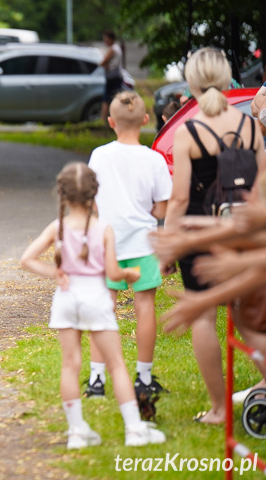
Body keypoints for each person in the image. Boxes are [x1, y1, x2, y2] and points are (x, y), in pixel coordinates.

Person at [20, 162, 166, 449]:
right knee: (116, 365)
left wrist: (56, 273)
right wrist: (129, 274)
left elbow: (26, 259)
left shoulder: (57, 227)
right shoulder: (104, 230)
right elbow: (112, 274)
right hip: (96, 300)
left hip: (65, 300)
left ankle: (76, 431)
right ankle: (135, 429)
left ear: (62, 194)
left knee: (70, 365)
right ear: (94, 193)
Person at [161, 47, 266, 424]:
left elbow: (180, 198)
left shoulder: (188, 132)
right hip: (244, 232)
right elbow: (261, 190)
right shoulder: (251, 127)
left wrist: (170, 245)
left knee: (203, 317)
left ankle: (220, 409)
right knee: (249, 317)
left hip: (200, 234)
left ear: (191, 82)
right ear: (226, 79)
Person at [84, 92, 172, 401]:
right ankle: (143, 378)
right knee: (144, 307)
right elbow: (162, 208)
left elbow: (92, 200)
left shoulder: (99, 156)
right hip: (143, 243)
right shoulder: (154, 159)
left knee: (104, 307)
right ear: (146, 121)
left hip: (107, 242)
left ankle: (96, 379)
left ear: (111, 122)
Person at [99, 30, 123, 123]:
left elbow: (103, 62)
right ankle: (115, 119)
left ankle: (103, 120)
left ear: (111, 39)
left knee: (107, 100)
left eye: (106, 39)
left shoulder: (113, 49)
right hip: (116, 77)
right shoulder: (117, 48)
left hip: (112, 78)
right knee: (115, 99)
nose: (105, 41)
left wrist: (103, 64)